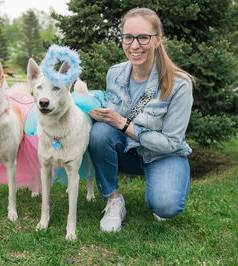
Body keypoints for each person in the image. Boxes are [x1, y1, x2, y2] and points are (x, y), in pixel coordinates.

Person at [88, 7, 195, 233]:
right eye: (128, 37)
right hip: (128, 151)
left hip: (162, 155)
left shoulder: (180, 84)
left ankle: (161, 191)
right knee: (98, 133)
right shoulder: (114, 73)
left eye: (143, 37)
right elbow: (110, 124)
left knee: (166, 206)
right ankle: (114, 201)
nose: (134, 45)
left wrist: (123, 124)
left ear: (158, 39)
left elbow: (172, 143)